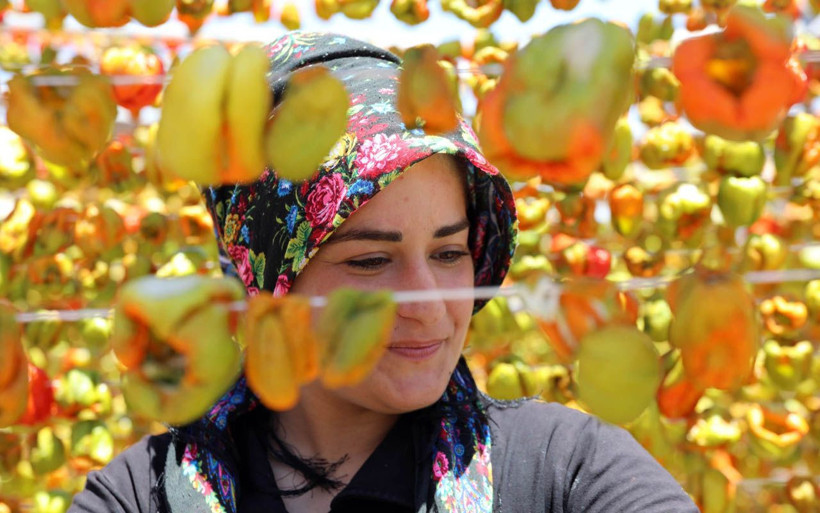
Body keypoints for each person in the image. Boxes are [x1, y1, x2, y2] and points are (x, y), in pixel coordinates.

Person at [69, 32, 699, 513]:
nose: (426, 303)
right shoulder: (140, 494)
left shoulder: (562, 473)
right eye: (371, 261)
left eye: (450, 254)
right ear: (267, 283)